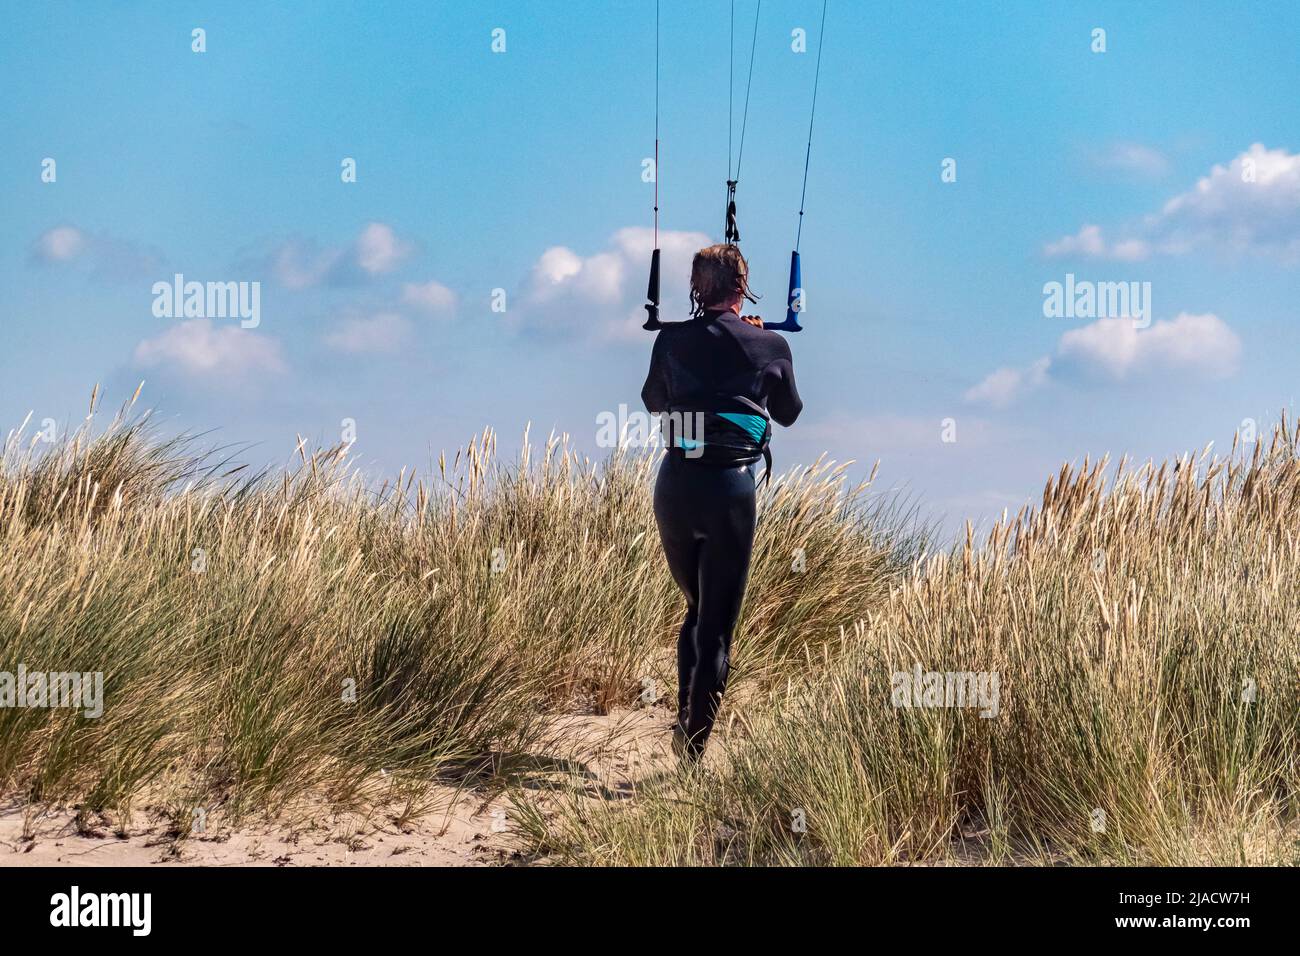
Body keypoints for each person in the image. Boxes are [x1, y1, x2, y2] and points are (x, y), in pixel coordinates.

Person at [640, 244, 803, 761]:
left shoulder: (670, 340)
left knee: (694, 607)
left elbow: (653, 401)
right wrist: (756, 342)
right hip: (730, 489)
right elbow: (790, 412)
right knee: (715, 625)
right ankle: (691, 750)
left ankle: (685, 716)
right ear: (743, 286)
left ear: (696, 287)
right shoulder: (770, 344)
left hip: (675, 485)